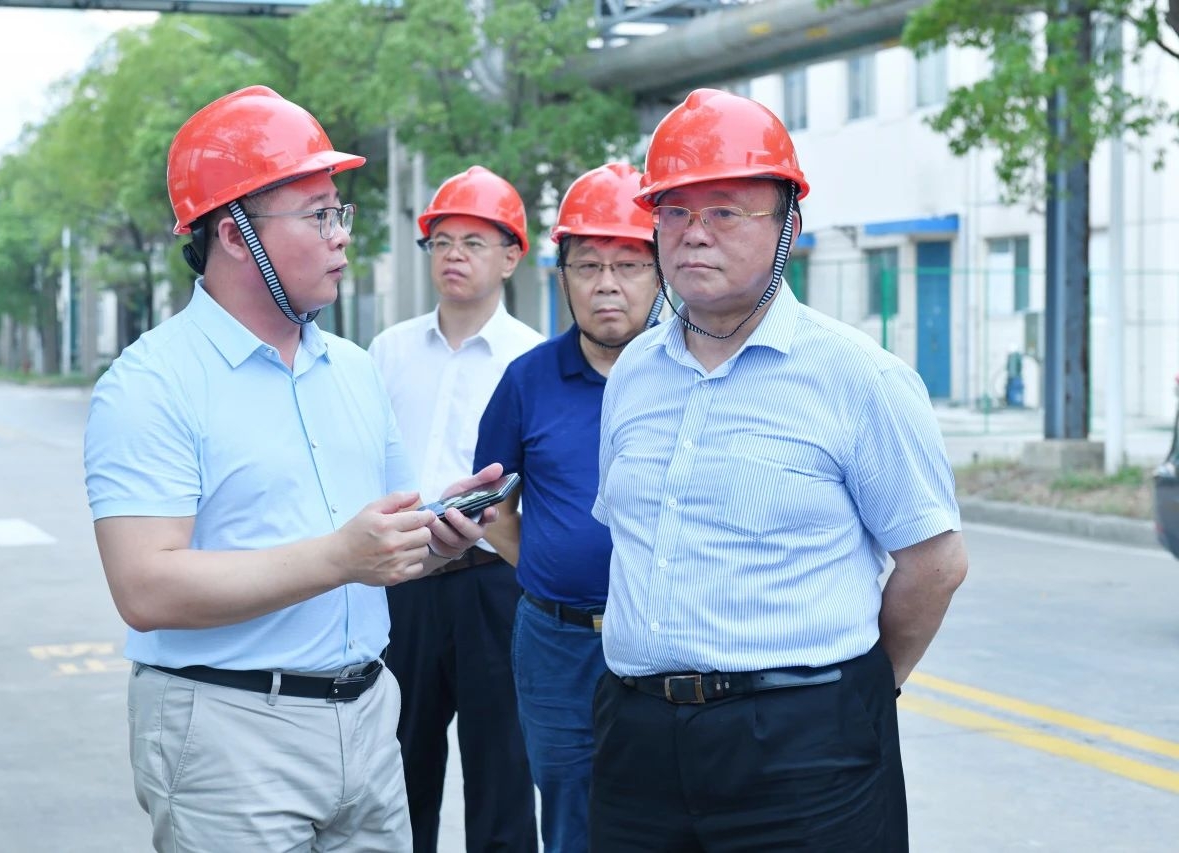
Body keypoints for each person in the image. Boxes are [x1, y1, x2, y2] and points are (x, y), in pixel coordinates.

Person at [82, 86, 499, 853]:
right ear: (234, 233)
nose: (342, 237)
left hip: (369, 718)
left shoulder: (353, 369)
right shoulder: (151, 384)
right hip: (230, 730)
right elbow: (145, 588)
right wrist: (341, 556)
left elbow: (376, 548)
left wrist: (435, 537)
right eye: (318, 215)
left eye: (339, 213)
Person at [589, 88, 970, 851]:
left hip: (805, 750)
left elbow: (935, 563)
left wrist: (854, 693)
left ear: (789, 226)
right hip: (636, 743)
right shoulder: (633, 373)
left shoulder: (860, 378)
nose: (694, 233)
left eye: (725, 211)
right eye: (674, 211)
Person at [472, 162, 662, 853]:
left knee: (666, 810)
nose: (607, 283)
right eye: (587, 265)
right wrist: (548, 565)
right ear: (563, 278)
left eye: (628, 264)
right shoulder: (528, 379)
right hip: (558, 644)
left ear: (661, 273)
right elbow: (491, 505)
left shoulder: (690, 373)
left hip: (669, 639)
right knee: (568, 807)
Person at [368, 165, 543, 852]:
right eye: (440, 241)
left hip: (495, 583)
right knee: (398, 765)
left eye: (473, 242)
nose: (453, 256)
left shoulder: (531, 359)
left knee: (502, 768)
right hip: (404, 580)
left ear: (511, 256)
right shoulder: (388, 351)